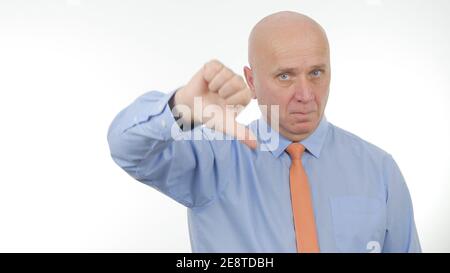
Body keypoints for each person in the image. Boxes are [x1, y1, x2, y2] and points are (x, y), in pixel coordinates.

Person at [107, 11, 421, 253]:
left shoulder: (379, 169)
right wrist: (182, 107)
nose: (306, 94)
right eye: (285, 76)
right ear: (252, 81)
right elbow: (126, 146)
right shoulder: (214, 157)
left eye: (316, 73)